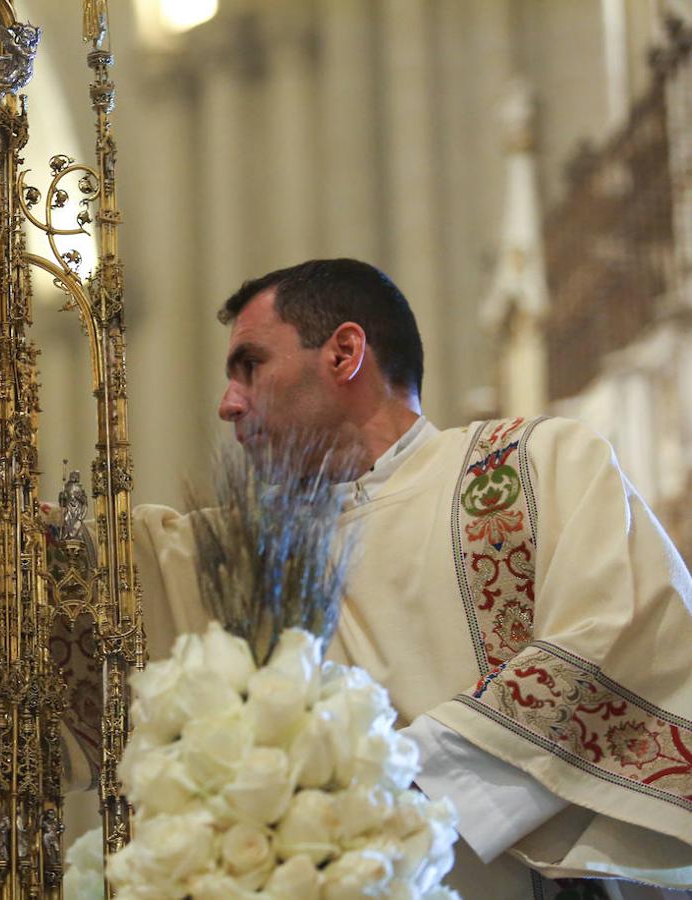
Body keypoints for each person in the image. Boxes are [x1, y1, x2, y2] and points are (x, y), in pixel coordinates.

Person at [133, 258, 692, 898]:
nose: (229, 405)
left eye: (250, 366)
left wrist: (382, 786)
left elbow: (613, 633)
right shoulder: (246, 551)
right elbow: (119, 583)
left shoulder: (531, 466)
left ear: (345, 352)